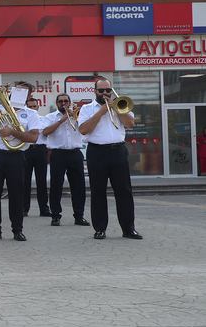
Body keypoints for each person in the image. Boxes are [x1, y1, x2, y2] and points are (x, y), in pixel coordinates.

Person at [78, 77, 142, 240]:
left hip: (118, 151)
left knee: (124, 191)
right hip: (97, 152)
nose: (105, 93)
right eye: (101, 91)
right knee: (98, 191)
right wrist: (101, 112)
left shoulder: (120, 104)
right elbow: (84, 130)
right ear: (95, 91)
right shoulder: (87, 108)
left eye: (108, 90)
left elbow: (130, 124)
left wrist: (117, 109)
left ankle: (128, 228)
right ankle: (100, 228)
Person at [0, 83, 40, 242]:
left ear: (28, 96)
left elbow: (33, 137)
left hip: (16, 156)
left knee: (16, 194)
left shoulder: (31, 114)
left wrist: (11, 132)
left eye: (23, 92)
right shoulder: (0, 110)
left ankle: (17, 230)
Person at [41, 93, 90, 227]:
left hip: (75, 153)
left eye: (66, 101)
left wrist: (74, 116)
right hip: (58, 154)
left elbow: (86, 129)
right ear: (57, 103)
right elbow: (45, 132)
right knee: (56, 186)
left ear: (70, 102)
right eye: (61, 101)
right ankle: (55, 216)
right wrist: (62, 119)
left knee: (78, 186)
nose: (63, 103)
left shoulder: (78, 115)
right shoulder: (50, 117)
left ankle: (79, 216)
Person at [23, 97, 51, 218]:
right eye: (30, 107)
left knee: (41, 181)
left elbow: (44, 131)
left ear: (38, 107)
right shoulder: (23, 121)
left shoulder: (42, 119)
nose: (33, 108)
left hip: (40, 150)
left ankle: (44, 208)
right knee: (25, 181)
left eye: (35, 106)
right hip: (27, 150)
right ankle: (24, 208)